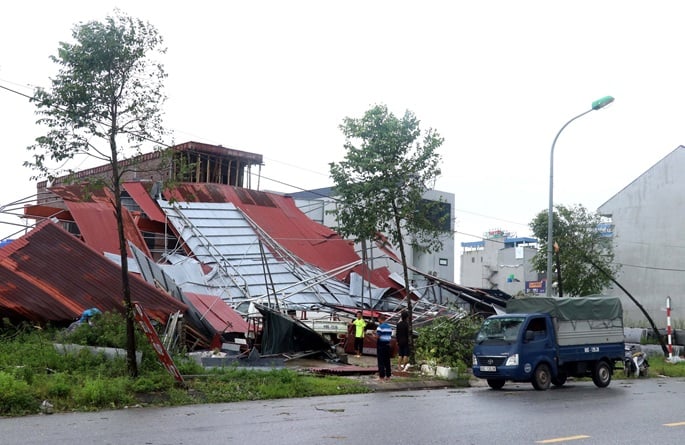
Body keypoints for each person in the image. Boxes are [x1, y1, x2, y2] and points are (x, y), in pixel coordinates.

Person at [375, 313, 393, 381]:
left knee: (381, 361)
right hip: (387, 344)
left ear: (380, 319)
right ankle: (388, 376)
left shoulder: (380, 327)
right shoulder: (389, 327)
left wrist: (373, 335)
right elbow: (390, 336)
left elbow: (378, 336)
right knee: (387, 361)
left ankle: (381, 376)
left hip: (381, 345)